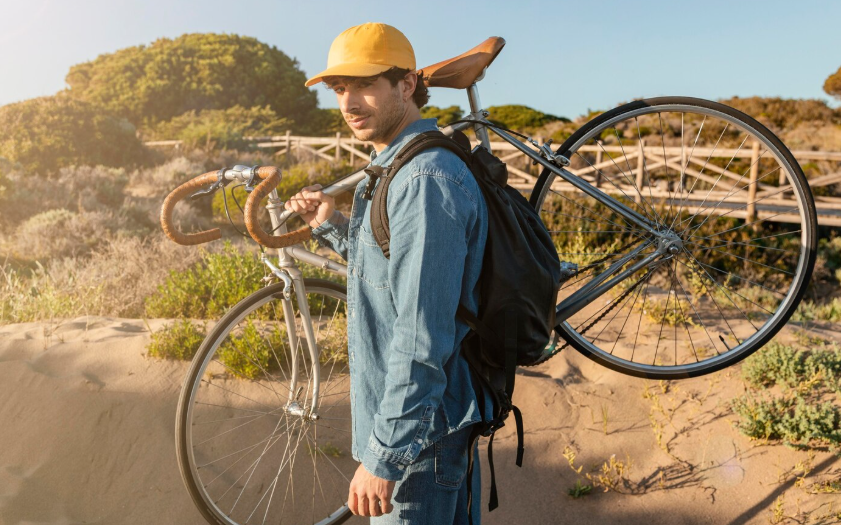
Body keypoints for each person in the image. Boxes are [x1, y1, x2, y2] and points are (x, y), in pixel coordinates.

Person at [284, 22, 491, 524]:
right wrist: (331, 225)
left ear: (406, 86)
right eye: (340, 89)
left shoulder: (424, 180)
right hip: (425, 436)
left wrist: (384, 457)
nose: (349, 103)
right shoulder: (396, 168)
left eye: (364, 85)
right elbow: (394, 278)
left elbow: (423, 335)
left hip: (421, 447)